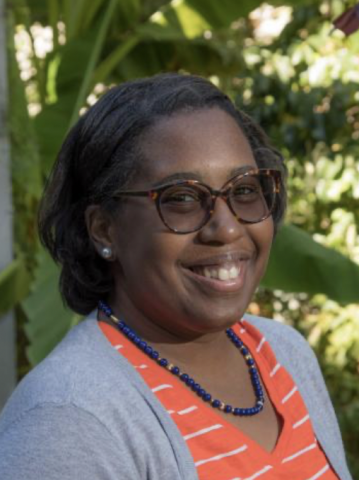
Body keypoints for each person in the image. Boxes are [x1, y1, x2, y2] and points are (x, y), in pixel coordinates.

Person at [0, 73, 352, 480]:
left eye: (244, 190)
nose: (227, 228)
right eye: (182, 198)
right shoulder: (69, 419)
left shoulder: (285, 355)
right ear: (103, 229)